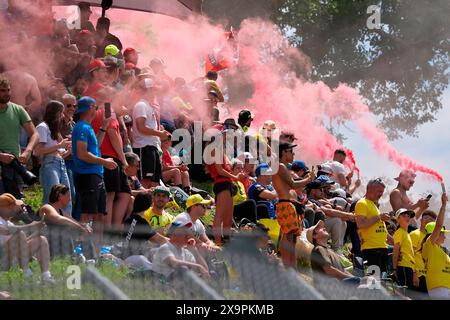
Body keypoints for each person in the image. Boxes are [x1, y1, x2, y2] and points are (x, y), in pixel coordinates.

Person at [71, 96, 117, 240]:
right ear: (90, 108)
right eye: (96, 107)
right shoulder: (82, 127)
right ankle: (82, 248)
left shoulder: (86, 127)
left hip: (95, 174)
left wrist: (103, 126)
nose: (97, 110)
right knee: (87, 213)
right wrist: (105, 162)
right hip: (87, 175)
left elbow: (95, 145)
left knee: (99, 214)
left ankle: (97, 250)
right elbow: (82, 154)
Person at [0, 193, 55, 284]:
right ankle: (27, 274)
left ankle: (46, 276)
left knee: (41, 240)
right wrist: (32, 226)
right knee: (19, 234)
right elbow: (7, 231)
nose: (15, 209)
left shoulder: (8, 222)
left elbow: (22, 243)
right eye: (13, 206)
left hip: (13, 257)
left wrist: (37, 231)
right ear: (5, 207)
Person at [0, 76, 39, 198]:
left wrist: (27, 151)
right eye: (2, 90)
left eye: (8, 90)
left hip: (16, 165)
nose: (7, 93)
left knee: (17, 206)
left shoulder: (17, 109)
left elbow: (35, 134)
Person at [207, 131, 246, 244]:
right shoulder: (216, 149)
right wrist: (235, 177)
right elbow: (220, 170)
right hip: (222, 184)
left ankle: (226, 241)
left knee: (228, 217)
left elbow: (224, 171)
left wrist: (236, 177)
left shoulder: (221, 151)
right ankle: (218, 242)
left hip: (227, 184)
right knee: (219, 216)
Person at [132, 77, 169, 188]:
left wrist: (161, 133)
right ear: (147, 90)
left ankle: (151, 205)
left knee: (155, 183)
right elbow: (141, 127)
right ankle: (144, 205)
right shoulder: (141, 105)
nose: (155, 92)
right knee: (145, 182)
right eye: (153, 89)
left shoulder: (148, 105)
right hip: (144, 147)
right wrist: (159, 134)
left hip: (152, 146)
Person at [271, 142, 305, 268]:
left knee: (293, 238)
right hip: (285, 204)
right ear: (284, 152)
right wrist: (308, 179)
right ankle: (287, 267)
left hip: (290, 204)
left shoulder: (283, 166)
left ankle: (292, 268)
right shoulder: (280, 166)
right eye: (290, 151)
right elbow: (292, 184)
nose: (293, 153)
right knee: (288, 235)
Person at [35, 101, 72, 215]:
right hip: (50, 164)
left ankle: (66, 229)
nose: (62, 116)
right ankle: (46, 229)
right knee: (53, 198)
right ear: (55, 113)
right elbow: (38, 151)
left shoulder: (55, 131)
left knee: (67, 199)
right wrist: (60, 145)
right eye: (61, 113)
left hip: (60, 164)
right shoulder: (42, 127)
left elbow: (59, 153)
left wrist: (69, 150)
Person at [39, 184, 92, 257]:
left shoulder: (60, 211)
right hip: (46, 244)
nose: (69, 199)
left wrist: (84, 226)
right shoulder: (47, 207)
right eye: (67, 196)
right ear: (60, 196)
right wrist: (80, 228)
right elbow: (59, 219)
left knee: (84, 233)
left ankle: (92, 259)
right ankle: (72, 258)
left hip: (57, 243)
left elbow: (72, 221)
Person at [121, 192, 168, 271]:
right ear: (148, 205)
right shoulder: (142, 223)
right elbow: (160, 240)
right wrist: (177, 243)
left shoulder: (128, 218)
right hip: (134, 258)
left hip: (125, 254)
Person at [354, 178, 391, 273]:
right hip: (372, 249)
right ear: (369, 189)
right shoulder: (362, 203)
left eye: (382, 192)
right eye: (379, 191)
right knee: (374, 282)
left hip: (381, 247)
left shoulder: (373, 205)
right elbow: (361, 224)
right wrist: (379, 217)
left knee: (381, 281)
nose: (381, 194)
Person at [309, 220, 359, 285]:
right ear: (314, 236)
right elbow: (329, 270)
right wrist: (354, 279)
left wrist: (356, 279)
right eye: (318, 229)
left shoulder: (329, 250)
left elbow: (343, 270)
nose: (324, 228)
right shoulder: (318, 249)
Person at [421, 191, 449, 299]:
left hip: (446, 289)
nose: (445, 237)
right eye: (443, 234)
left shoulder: (443, 252)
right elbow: (438, 225)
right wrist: (443, 205)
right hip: (439, 288)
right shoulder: (429, 245)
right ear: (436, 234)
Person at [409, 209, 437, 293]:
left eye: (431, 220)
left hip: (429, 277)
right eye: (426, 218)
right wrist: (414, 274)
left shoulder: (431, 239)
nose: (428, 221)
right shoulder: (414, 234)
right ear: (421, 220)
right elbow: (410, 255)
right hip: (418, 275)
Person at [392, 208, 416, 290]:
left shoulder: (407, 233)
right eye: (404, 215)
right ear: (398, 219)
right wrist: (394, 269)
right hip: (403, 266)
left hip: (409, 267)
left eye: (408, 215)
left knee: (408, 293)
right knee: (405, 293)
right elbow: (396, 252)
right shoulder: (399, 232)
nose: (407, 217)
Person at [61, 94, 77, 211]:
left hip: (74, 162)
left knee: (75, 195)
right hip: (63, 162)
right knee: (68, 194)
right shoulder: (56, 124)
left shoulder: (74, 124)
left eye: (74, 106)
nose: (72, 108)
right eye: (68, 106)